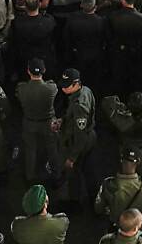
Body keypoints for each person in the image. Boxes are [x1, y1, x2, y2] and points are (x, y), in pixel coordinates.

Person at [56, 68, 97, 205]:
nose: (63, 88)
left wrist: (72, 157)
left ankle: (74, 203)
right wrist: (63, 121)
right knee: (89, 170)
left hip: (81, 141)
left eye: (66, 86)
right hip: (89, 136)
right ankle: (94, 199)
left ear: (76, 84)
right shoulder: (86, 90)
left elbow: (80, 136)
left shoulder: (79, 105)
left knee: (74, 173)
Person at [16, 58, 60, 183]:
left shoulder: (22, 88)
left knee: (30, 150)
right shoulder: (51, 88)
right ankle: (56, 175)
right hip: (48, 122)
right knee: (52, 148)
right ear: (44, 70)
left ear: (28, 71)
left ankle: (30, 177)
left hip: (30, 122)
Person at [94, 148, 142, 226]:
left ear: (121, 160)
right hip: (137, 228)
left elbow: (98, 208)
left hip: (115, 227)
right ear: (138, 162)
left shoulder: (107, 184)